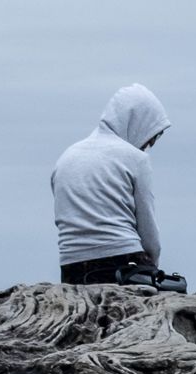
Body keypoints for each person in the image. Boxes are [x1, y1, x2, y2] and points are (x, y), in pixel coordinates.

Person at [51, 83, 170, 285]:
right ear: (137, 122)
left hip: (71, 267)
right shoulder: (135, 158)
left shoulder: (65, 158)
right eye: (151, 137)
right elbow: (150, 237)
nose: (148, 145)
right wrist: (152, 269)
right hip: (122, 263)